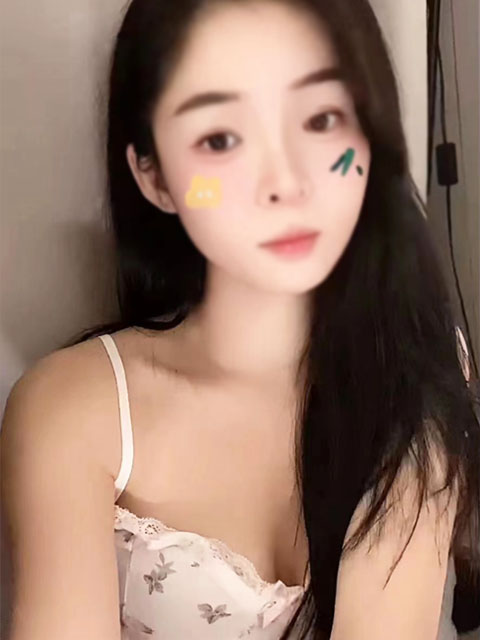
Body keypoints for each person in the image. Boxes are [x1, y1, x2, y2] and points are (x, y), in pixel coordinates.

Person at [1, 0, 479, 639]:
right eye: (221, 139)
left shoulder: (414, 362)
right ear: (153, 174)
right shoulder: (73, 410)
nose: (285, 183)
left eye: (321, 119)